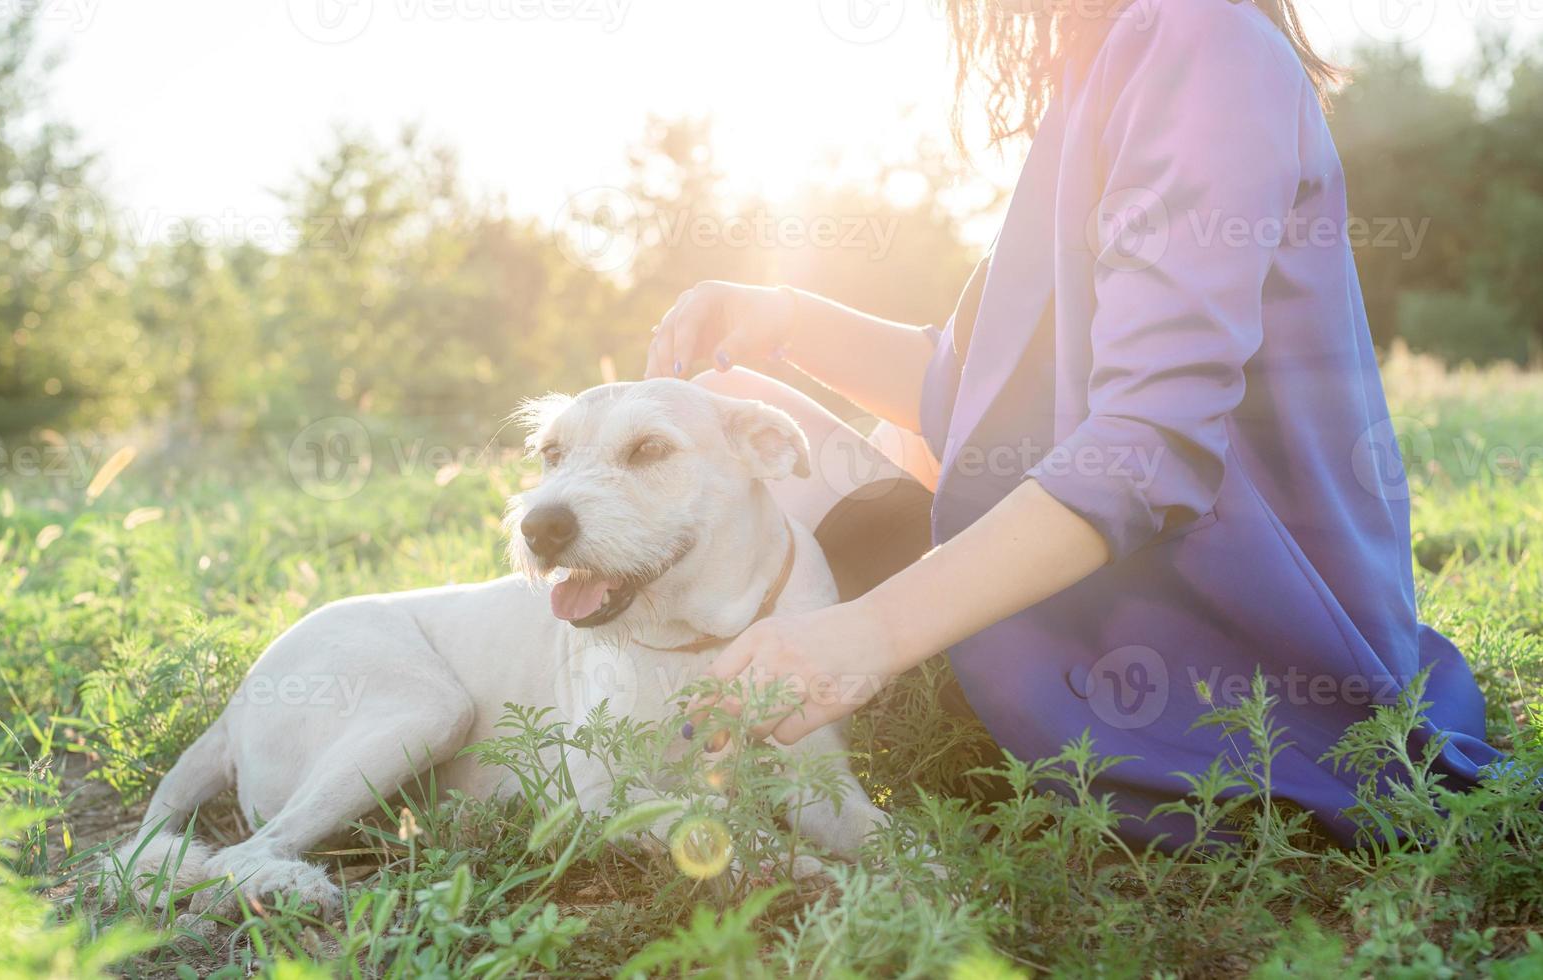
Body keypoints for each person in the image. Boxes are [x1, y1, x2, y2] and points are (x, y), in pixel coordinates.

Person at [643, 0, 1503, 845]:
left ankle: (638, 732)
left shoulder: (1201, 39)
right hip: (1104, 593)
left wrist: (862, 637)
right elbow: (967, 400)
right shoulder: (1106, 60)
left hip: (1193, 649)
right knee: (729, 418)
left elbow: (1147, 447)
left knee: (719, 463)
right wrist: (785, 318)